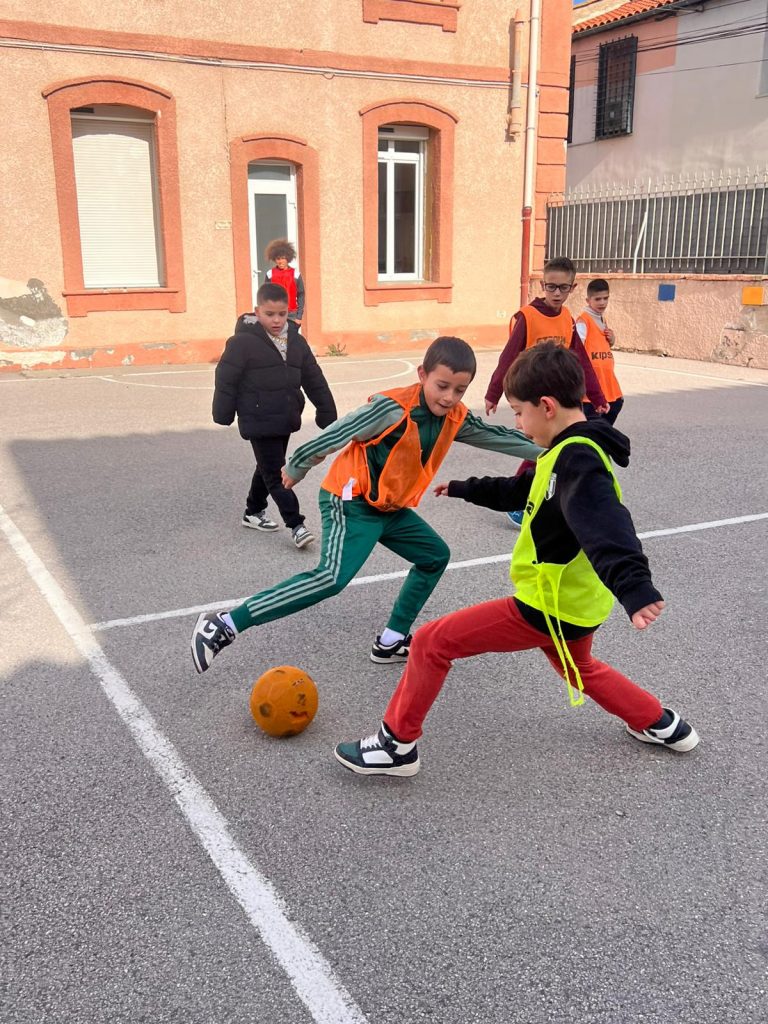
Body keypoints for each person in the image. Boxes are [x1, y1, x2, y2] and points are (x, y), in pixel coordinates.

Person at [334, 342, 699, 777]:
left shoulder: (579, 461)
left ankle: (396, 746)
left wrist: (634, 586)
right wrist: (466, 488)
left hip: (549, 604)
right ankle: (662, 723)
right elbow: (523, 490)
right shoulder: (566, 450)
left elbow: (606, 523)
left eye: (519, 412)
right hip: (576, 603)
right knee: (579, 667)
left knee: (432, 642)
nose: (518, 424)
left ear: (547, 406)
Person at [191, 336, 542, 675]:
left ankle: (391, 641)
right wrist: (298, 463)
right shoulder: (392, 409)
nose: (450, 397)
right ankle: (225, 623)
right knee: (331, 578)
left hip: (388, 506)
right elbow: (340, 431)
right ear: (422, 374)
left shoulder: (455, 417)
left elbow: (497, 437)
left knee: (434, 556)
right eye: (442, 386)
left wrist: (556, 447)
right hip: (351, 500)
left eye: (460, 390)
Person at [484, 256, 609, 529]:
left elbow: (580, 360)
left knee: (551, 449)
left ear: (573, 288)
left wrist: (597, 396)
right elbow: (508, 357)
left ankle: (538, 498)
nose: (556, 293)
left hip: (557, 401)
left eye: (563, 288)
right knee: (539, 450)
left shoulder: (567, 319)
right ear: (542, 285)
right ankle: (519, 500)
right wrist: (494, 393)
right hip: (532, 398)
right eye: (551, 286)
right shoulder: (528, 317)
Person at [213, 281, 337, 550]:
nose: (277, 320)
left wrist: (326, 410)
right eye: (270, 314)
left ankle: (253, 511)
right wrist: (223, 412)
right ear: (257, 312)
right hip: (257, 417)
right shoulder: (242, 342)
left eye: (282, 314)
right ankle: (296, 525)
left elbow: (314, 378)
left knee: (267, 467)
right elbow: (226, 377)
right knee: (276, 472)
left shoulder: (296, 341)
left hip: (285, 416)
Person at [576, 278, 623, 424]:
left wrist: (612, 339)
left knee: (616, 404)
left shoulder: (602, 319)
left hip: (607, 380)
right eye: (597, 299)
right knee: (593, 423)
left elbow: (605, 344)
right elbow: (577, 348)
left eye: (605, 298)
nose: (602, 302)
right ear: (588, 300)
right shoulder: (583, 320)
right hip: (592, 383)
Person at [262, 238, 304, 327]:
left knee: (291, 336)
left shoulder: (296, 274)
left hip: (292, 315)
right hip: (275, 314)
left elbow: (301, 295)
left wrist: (299, 316)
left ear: (288, 258)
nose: (280, 261)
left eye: (283, 258)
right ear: (274, 259)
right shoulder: (270, 274)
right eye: (278, 259)